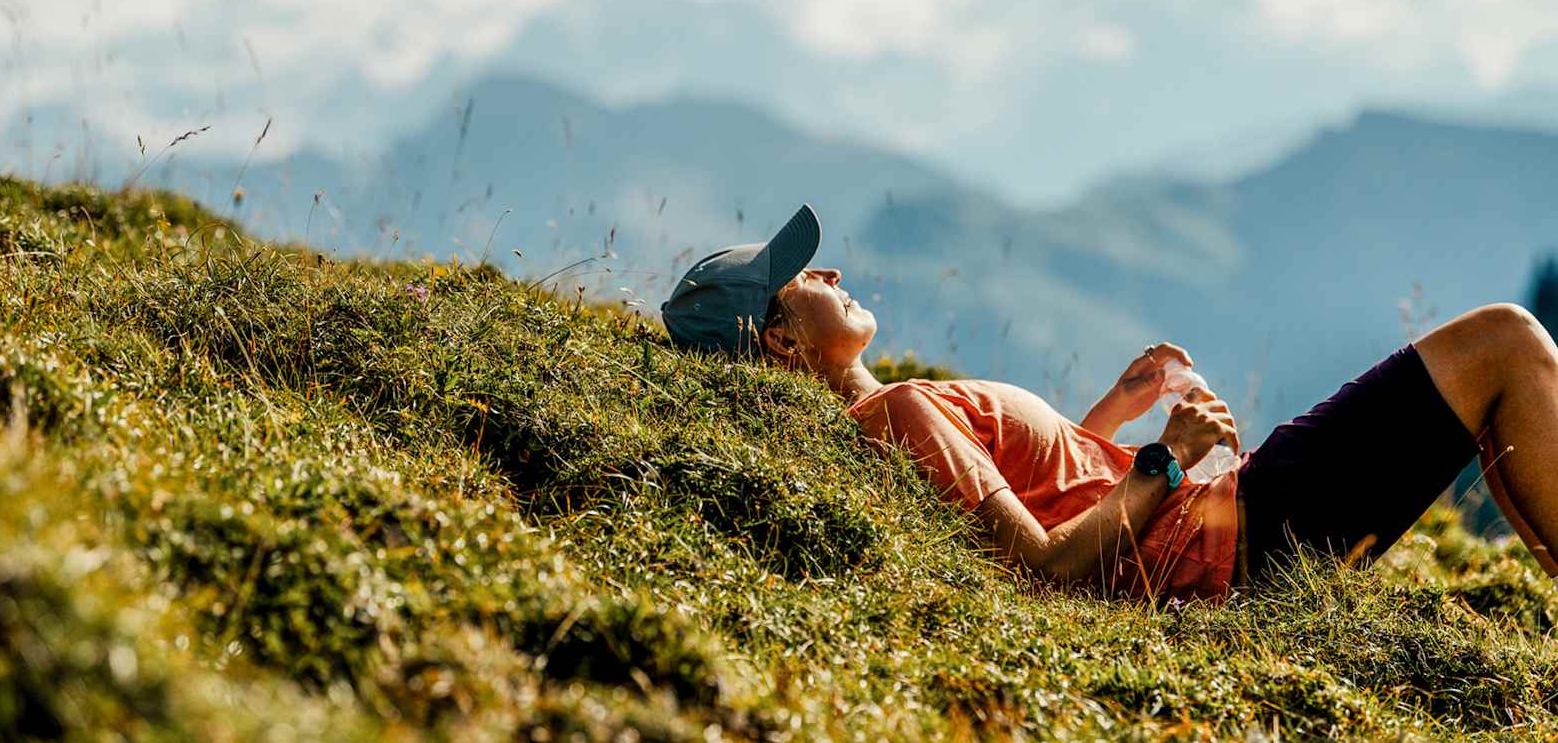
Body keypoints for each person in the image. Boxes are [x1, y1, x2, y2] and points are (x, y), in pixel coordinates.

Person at [660, 205, 1558, 600]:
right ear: (779, 341)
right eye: (801, 277)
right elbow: (1047, 566)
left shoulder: (894, 417)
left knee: (1499, 363)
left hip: (1222, 534)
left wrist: (1112, 415)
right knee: (1506, 343)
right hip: (1229, 539)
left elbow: (1038, 498)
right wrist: (1166, 455)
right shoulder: (892, 413)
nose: (829, 271)